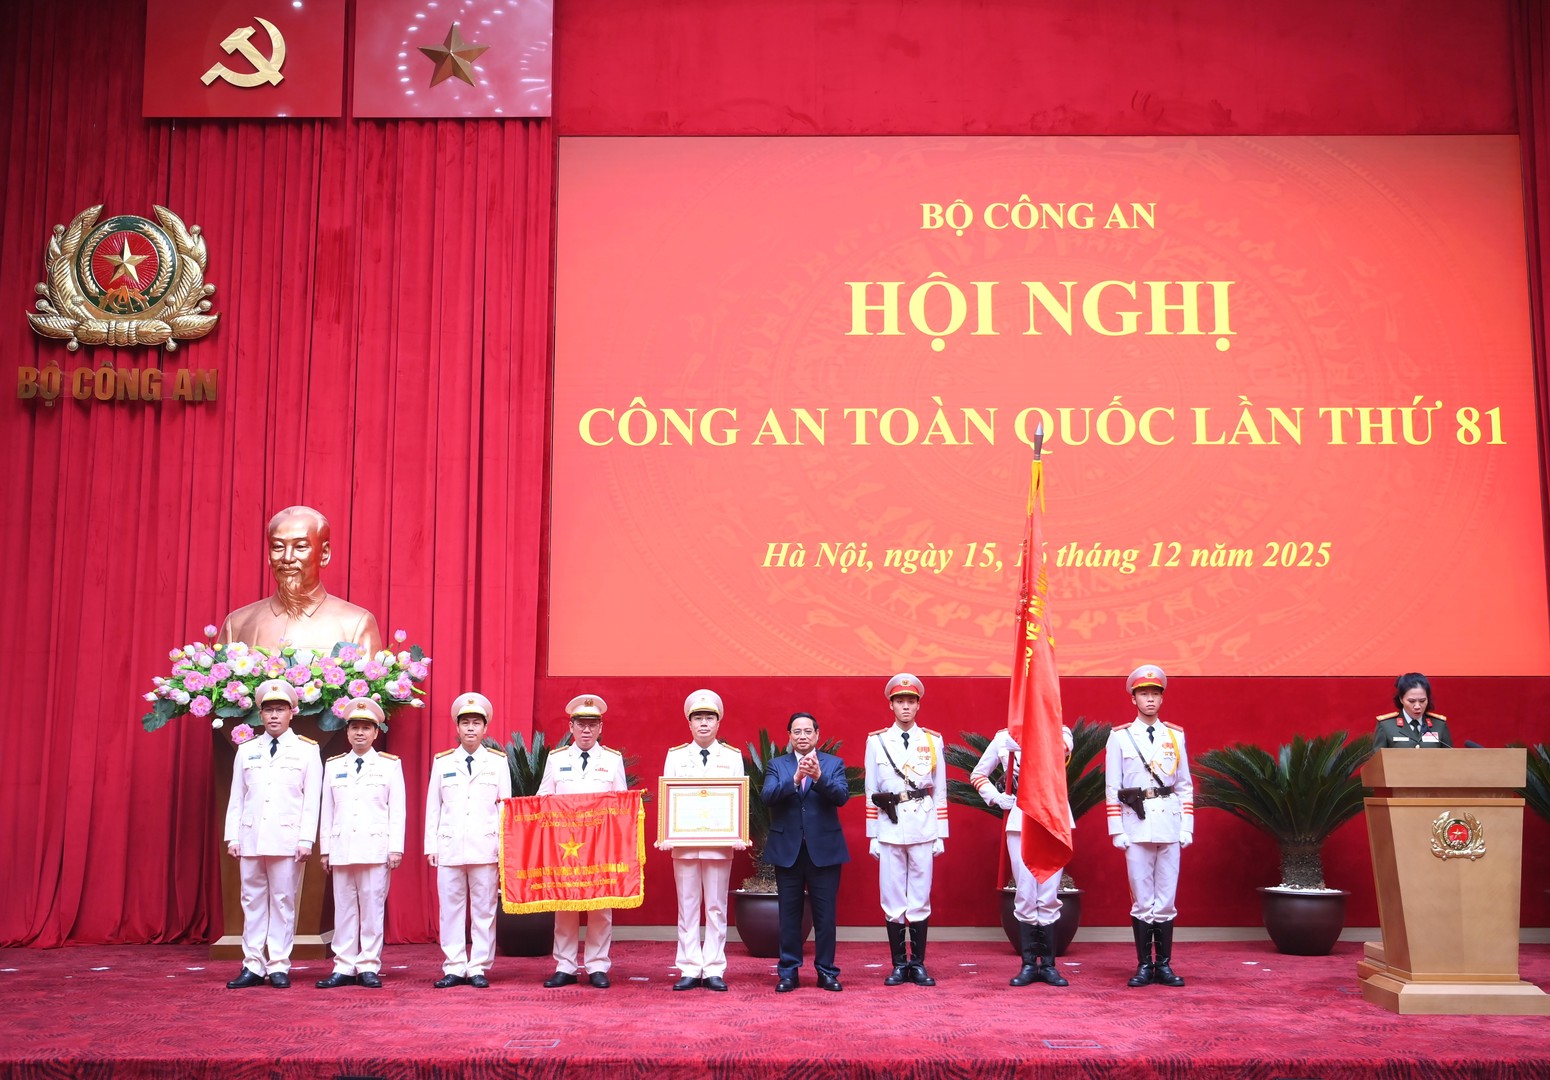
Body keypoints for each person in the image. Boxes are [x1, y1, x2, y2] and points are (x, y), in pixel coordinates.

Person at [223, 679, 323, 988]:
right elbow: (237, 797)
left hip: (286, 838)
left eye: (280, 709)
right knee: (251, 901)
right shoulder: (247, 749)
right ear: (260, 714)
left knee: (282, 901)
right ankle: (253, 964)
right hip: (251, 837)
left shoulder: (307, 750)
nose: (274, 716)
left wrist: (306, 839)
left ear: (292, 712)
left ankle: (279, 963)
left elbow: (311, 799)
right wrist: (233, 836)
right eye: (268, 710)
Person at [1105, 664, 1193, 988]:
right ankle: (1144, 965)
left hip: (1169, 822)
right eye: (1144, 694)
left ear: (1162, 698)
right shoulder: (1120, 737)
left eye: (1156, 693)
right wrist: (1116, 829)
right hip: (1136, 825)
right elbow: (1112, 786)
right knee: (1143, 899)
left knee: (1166, 899)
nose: (1151, 699)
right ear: (1134, 699)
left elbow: (1184, 785)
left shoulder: (1175, 736)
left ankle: (1164, 965)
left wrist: (1187, 825)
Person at [970, 719, 1075, 987]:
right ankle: (1029, 964)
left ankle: (1048, 966)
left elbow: (1059, 750)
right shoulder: (1003, 737)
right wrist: (996, 797)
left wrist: (1023, 746)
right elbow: (978, 774)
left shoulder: (1059, 732)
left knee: (1049, 894)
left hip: (1052, 818)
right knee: (1026, 894)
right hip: (1020, 819)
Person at [658, 689, 746, 991]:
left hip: (720, 845)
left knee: (717, 907)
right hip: (683, 844)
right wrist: (666, 834)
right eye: (698, 718)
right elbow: (668, 797)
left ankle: (714, 968)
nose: (704, 723)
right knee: (688, 906)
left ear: (718, 723)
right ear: (689, 723)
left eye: (709, 717)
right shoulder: (675, 756)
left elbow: (739, 799)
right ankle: (689, 966)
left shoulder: (732, 757)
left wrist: (739, 833)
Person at [863, 673, 948, 986]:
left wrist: (941, 833)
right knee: (892, 897)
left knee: (920, 897)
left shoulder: (932, 740)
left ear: (918, 704)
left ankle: (919, 964)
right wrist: (873, 835)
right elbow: (871, 789)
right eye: (900, 701)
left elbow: (940, 790)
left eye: (911, 701)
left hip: (923, 825)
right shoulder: (877, 741)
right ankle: (899, 964)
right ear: (891, 705)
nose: (906, 706)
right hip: (889, 825)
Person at [539, 694, 628, 988]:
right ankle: (565, 965)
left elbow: (622, 804)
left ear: (600, 727)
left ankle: (597, 965)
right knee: (565, 904)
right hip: (565, 846)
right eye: (581, 724)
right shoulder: (556, 759)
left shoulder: (612, 760)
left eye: (592, 724)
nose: (586, 730)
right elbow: (543, 800)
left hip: (601, 845)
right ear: (571, 726)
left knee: (600, 905)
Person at [315, 697, 405, 989]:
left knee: (372, 909)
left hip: (375, 848)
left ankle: (368, 965)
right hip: (342, 847)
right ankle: (343, 965)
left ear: (376, 733)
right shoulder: (334, 765)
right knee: (344, 910)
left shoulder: (389, 765)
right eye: (354, 728)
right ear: (347, 732)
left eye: (366, 728)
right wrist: (325, 850)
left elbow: (397, 810)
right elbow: (327, 810)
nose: (360, 733)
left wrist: (395, 848)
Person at [424, 691, 511, 988]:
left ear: (485, 728)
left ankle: (478, 967)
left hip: (486, 846)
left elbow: (504, 807)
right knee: (450, 909)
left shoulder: (498, 762)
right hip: (449, 845)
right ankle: (454, 965)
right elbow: (433, 806)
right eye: (465, 723)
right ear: (457, 727)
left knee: (484, 910)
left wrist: (504, 847)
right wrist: (431, 845)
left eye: (476, 723)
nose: (470, 728)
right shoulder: (443, 762)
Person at [760, 710, 851, 993]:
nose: (802, 736)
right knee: (789, 916)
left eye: (808, 731)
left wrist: (819, 777)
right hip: (788, 850)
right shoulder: (777, 765)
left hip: (824, 851)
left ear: (817, 735)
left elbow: (841, 797)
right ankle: (788, 972)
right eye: (797, 732)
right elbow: (767, 797)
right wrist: (796, 778)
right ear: (789, 736)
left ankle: (826, 971)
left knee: (825, 916)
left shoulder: (833, 763)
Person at [216, 505, 383, 655]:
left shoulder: (356, 624)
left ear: (324, 553)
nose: (287, 558)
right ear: (269, 555)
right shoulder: (236, 624)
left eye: (300, 546)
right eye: (278, 547)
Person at [1373, 673, 1454, 749]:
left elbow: (1450, 756)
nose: (1417, 706)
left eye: (1422, 701)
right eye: (1411, 701)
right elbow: (1378, 758)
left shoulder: (1439, 725)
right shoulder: (1386, 726)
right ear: (1401, 699)